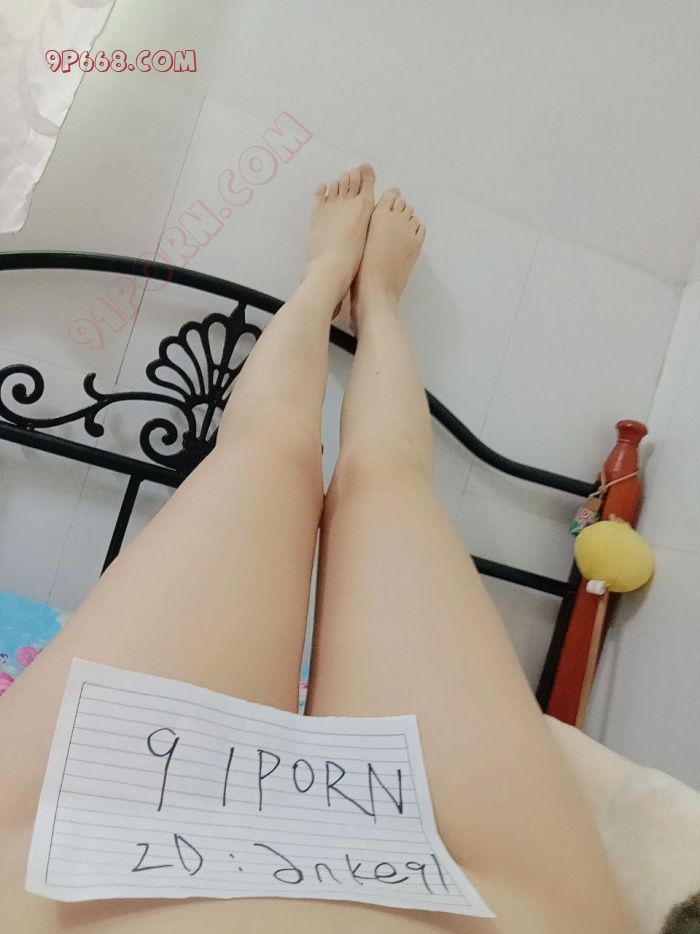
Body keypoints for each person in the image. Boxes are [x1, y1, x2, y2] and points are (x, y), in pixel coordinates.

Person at [0, 165, 630, 932]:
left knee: (274, 451)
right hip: (497, 906)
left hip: (45, 876)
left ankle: (329, 277)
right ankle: (375, 300)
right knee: (381, 475)